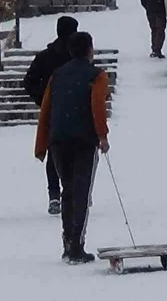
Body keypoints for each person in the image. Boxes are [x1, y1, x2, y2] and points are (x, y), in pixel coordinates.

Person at [34, 31, 110, 264]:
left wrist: (42, 143)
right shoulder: (97, 76)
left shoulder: (57, 75)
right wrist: (102, 136)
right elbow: (97, 107)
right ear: (89, 50)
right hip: (83, 139)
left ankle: (68, 242)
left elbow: (45, 109)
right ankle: (77, 244)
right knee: (81, 192)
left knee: (67, 190)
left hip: (59, 140)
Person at [22, 16, 79, 215]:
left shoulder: (45, 56)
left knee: (55, 152)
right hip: (75, 110)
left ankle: (55, 194)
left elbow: (28, 82)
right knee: (76, 153)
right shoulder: (76, 58)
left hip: (53, 110)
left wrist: (42, 99)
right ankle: (71, 192)